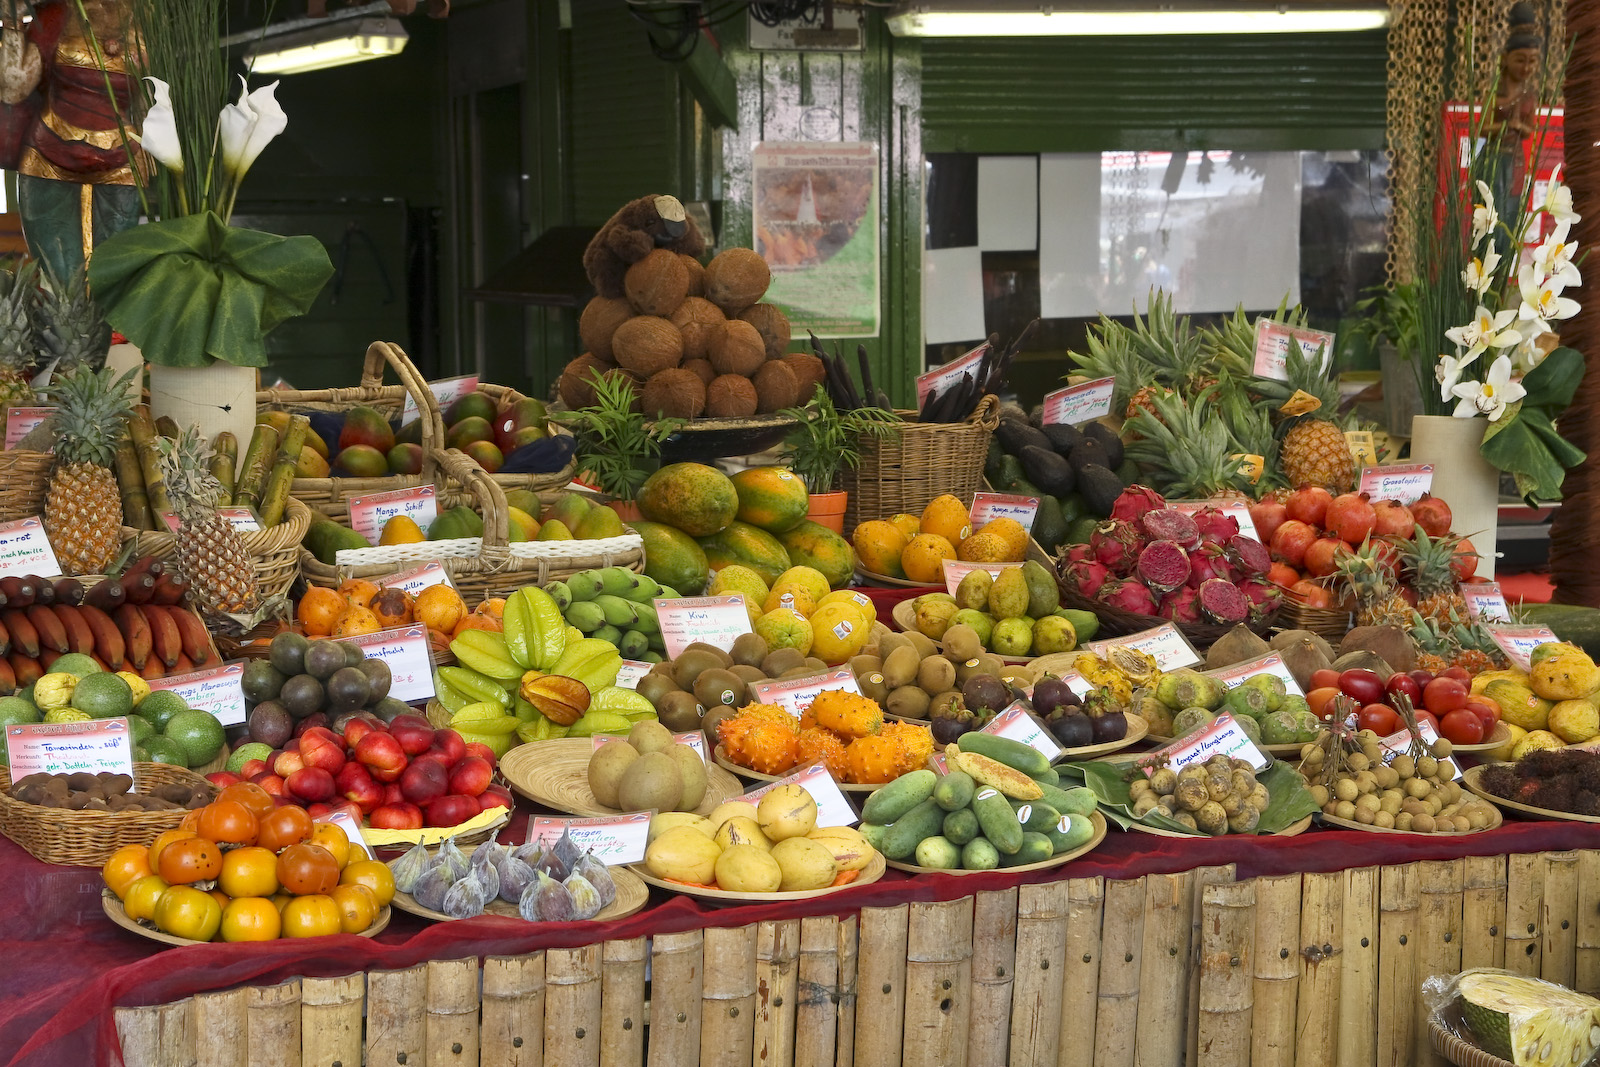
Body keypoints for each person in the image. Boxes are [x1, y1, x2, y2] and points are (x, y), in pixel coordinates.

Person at [0, 0, 141, 281]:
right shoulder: (55, 15)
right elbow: (14, 88)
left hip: (123, 159)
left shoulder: (146, 21)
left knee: (116, 276)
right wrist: (12, 22)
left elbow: (152, 98)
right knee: (60, 277)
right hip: (49, 154)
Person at [1485, 2, 1543, 219]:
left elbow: (1529, 130)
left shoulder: (1529, 96)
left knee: (1509, 211)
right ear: (1505, 58)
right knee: (1490, 209)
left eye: (1532, 61)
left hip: (1516, 160)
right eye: (1520, 60)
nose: (1526, 67)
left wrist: (1520, 128)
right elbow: (1481, 128)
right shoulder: (1494, 93)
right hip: (1492, 158)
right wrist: (1506, 126)